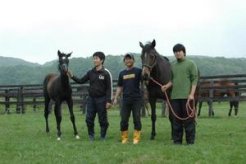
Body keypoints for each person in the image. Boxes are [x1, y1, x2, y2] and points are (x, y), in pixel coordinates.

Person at [67, 51, 112, 141]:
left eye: (96, 58)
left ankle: (103, 136)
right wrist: (72, 76)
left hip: (102, 99)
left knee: (102, 120)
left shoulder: (106, 73)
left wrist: (108, 101)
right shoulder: (90, 72)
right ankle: (91, 135)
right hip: (91, 99)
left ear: (102, 60)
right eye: (94, 58)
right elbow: (81, 81)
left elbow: (109, 88)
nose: (94, 60)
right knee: (89, 119)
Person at [161, 44, 198, 145]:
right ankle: (177, 141)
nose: (177, 53)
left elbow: (194, 79)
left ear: (184, 52)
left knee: (189, 120)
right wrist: (166, 86)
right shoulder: (173, 65)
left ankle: (190, 141)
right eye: (175, 52)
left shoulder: (191, 64)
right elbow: (172, 80)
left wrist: (192, 94)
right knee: (176, 120)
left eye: (179, 51)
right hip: (175, 97)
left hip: (187, 97)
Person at [113, 53, 143, 144]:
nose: (128, 61)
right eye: (126, 59)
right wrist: (115, 98)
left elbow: (146, 79)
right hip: (125, 99)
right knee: (124, 119)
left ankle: (136, 138)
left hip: (136, 99)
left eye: (130, 59)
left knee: (137, 118)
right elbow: (119, 87)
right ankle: (124, 138)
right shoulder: (122, 73)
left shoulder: (138, 71)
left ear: (133, 60)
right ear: (124, 61)